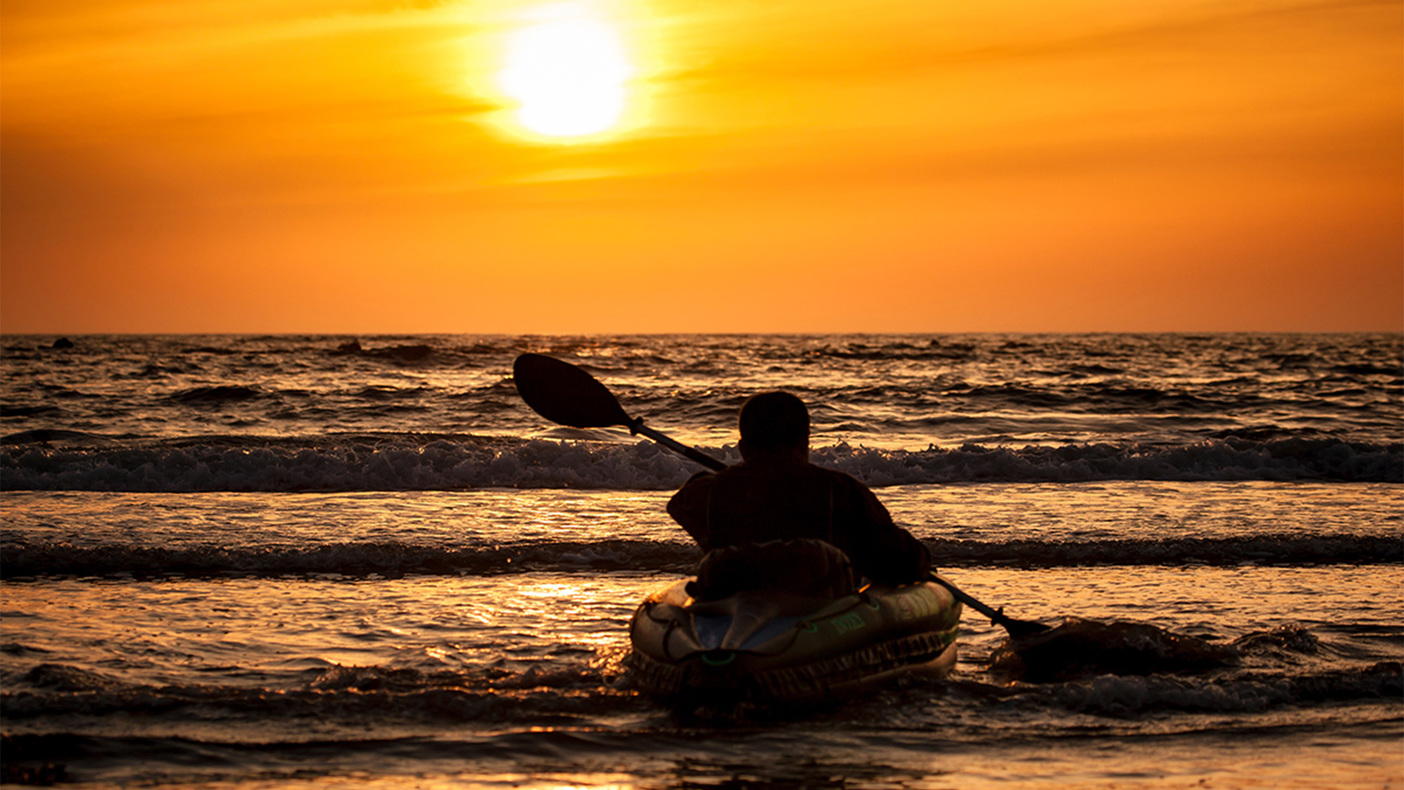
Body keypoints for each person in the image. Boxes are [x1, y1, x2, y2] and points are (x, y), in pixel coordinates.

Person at [667, 391, 931, 600]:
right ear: (805, 443)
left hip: (733, 608)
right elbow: (903, 560)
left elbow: (679, 505)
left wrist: (743, 479)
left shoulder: (707, 492)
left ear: (743, 448)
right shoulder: (841, 489)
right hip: (815, 609)